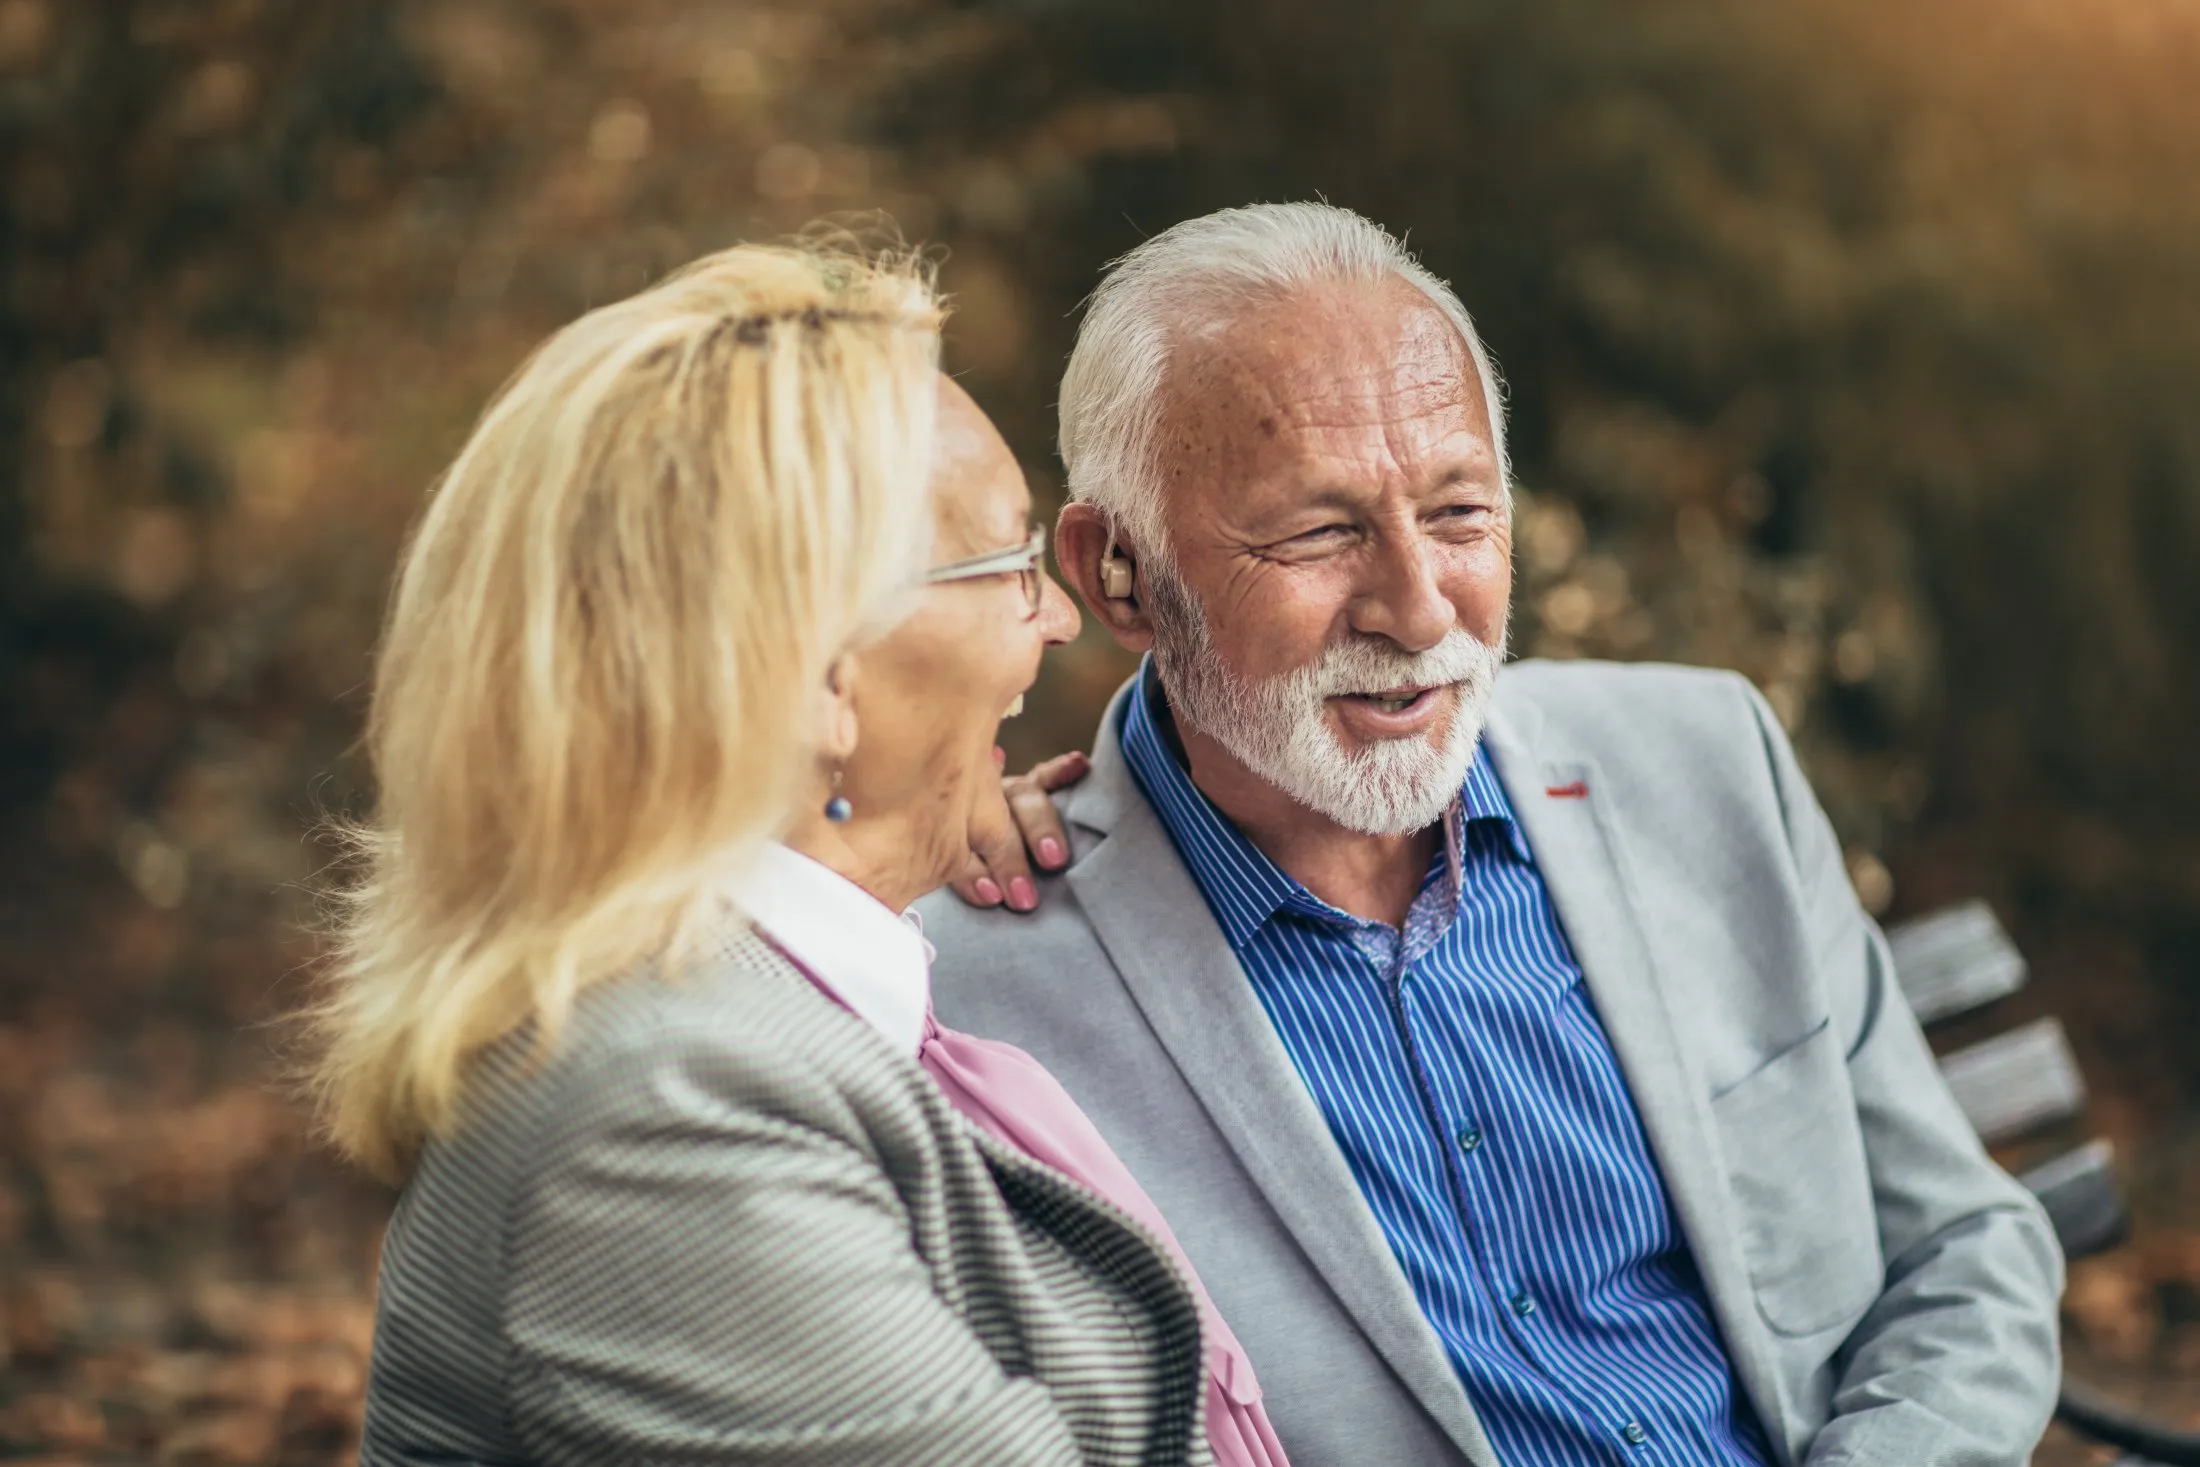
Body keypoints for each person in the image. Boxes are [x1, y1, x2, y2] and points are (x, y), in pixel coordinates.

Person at [920, 203, 2066, 1466]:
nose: (1417, 611)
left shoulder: (1707, 765)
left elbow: (1966, 1248)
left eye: (1460, 513)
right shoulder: (967, 987)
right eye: (1317, 531)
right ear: (1116, 573)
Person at [309, 240, 1288, 1465]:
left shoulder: (738, 1014)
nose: (1053, 618)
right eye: (1008, 566)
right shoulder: (668, 1124)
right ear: (824, 674)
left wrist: (899, 839)